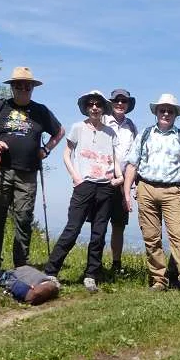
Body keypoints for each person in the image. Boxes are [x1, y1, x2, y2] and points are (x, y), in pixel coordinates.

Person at [0, 66, 64, 276]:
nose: (23, 88)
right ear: (12, 87)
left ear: (32, 88)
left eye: (27, 85)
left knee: (24, 217)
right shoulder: (0, 107)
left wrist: (46, 149)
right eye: (19, 85)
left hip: (27, 172)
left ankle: (21, 265)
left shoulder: (41, 111)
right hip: (0, 169)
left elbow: (59, 131)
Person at [42, 91, 123, 292]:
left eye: (98, 105)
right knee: (72, 229)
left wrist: (119, 177)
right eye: (91, 104)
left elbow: (114, 158)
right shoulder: (78, 128)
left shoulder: (111, 133)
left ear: (104, 108)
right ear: (86, 107)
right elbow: (67, 154)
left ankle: (91, 275)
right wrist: (76, 177)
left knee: (99, 233)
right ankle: (51, 272)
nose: (94, 108)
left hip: (106, 186)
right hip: (84, 185)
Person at [122, 93, 180, 293]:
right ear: (156, 112)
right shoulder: (145, 134)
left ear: (175, 114)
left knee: (179, 235)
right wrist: (126, 192)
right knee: (151, 236)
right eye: (162, 110)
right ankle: (159, 279)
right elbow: (132, 164)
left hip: (173, 190)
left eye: (170, 111)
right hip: (146, 188)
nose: (166, 113)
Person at [104, 88, 138, 276]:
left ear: (127, 104)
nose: (120, 104)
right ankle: (93, 265)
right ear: (111, 102)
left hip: (124, 182)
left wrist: (133, 182)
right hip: (104, 180)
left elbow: (135, 155)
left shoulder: (131, 126)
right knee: (99, 223)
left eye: (123, 101)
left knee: (119, 225)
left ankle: (116, 264)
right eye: (117, 100)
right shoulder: (102, 121)